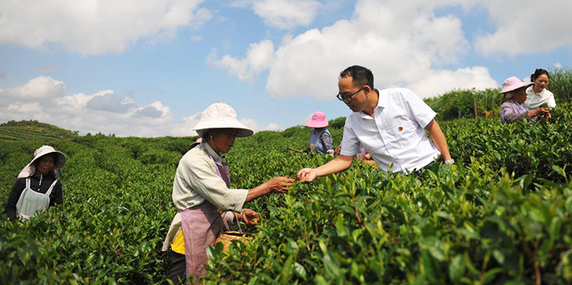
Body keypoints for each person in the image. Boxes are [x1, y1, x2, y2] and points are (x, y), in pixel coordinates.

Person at [163, 103, 294, 283]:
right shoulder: (195, 160)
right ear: (212, 133)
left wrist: (239, 215)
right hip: (189, 239)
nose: (232, 139)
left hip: (210, 233)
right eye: (228, 134)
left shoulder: (214, 158)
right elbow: (223, 199)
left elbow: (212, 206)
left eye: (234, 135)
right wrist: (268, 187)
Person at [296, 65, 454, 182]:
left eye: (348, 96)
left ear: (365, 89)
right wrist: (315, 171)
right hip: (398, 181)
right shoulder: (352, 122)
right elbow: (344, 159)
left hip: (431, 168)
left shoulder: (401, 97)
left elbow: (432, 126)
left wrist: (448, 161)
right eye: (341, 97)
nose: (345, 102)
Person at [4, 145, 66, 221]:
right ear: (37, 162)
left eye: (51, 162)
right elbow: (10, 205)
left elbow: (56, 209)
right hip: (18, 226)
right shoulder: (23, 180)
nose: (47, 164)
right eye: (44, 161)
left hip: (40, 230)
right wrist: (14, 223)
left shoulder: (55, 184)